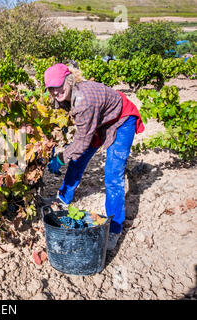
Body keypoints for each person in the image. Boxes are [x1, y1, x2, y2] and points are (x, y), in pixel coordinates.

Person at [43, 63, 145, 250]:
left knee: (113, 176)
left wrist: (60, 158)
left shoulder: (83, 100)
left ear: (69, 80)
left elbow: (81, 142)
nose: (55, 92)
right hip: (99, 122)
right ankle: (63, 198)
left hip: (121, 121)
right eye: (50, 88)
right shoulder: (63, 96)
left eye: (58, 86)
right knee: (77, 160)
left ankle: (114, 229)